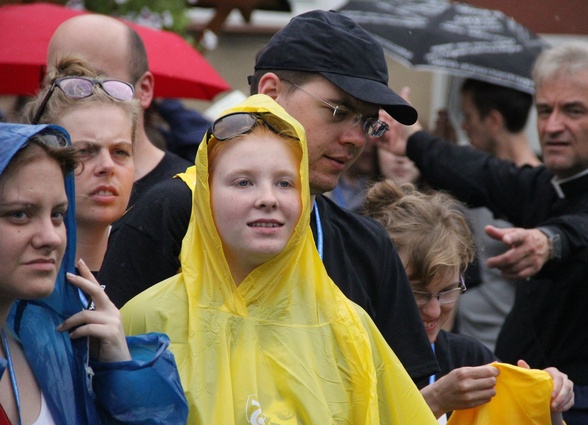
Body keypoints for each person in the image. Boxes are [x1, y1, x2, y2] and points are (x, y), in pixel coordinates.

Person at [98, 9, 439, 384]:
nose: (356, 138)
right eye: (338, 111)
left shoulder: (368, 247)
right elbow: (107, 374)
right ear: (271, 93)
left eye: (366, 121)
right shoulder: (173, 213)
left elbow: (409, 394)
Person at [377, 40, 588, 425]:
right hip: (530, 405)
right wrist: (412, 141)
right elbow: (486, 174)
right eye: (545, 110)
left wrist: (550, 243)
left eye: (573, 110)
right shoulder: (553, 186)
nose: (551, 126)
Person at [121, 94, 449, 425]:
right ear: (206, 196)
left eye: (285, 183)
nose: (268, 198)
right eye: (243, 182)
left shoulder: (349, 328)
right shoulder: (148, 319)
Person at [0, 123, 187, 425]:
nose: (50, 237)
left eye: (58, 214)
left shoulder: (48, 342)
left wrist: (119, 367)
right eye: (19, 214)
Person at [364, 179, 573, 425]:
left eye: (448, 290)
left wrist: (548, 409)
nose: (434, 310)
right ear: (377, 280)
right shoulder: (353, 360)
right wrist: (435, 400)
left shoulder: (468, 357)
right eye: (417, 293)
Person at [46, 14, 192, 207]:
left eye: (100, 82)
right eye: (63, 79)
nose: (77, 93)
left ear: (145, 90)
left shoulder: (190, 194)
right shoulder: (30, 188)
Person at [24, 56, 140, 273]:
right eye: (84, 151)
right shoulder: (13, 283)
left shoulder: (156, 271)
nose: (107, 166)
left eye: (120, 152)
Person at [456, 78, 541, 351]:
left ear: (493, 120)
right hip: (464, 345)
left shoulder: (537, 193)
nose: (464, 126)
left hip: (506, 353)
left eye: (469, 117)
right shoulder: (480, 182)